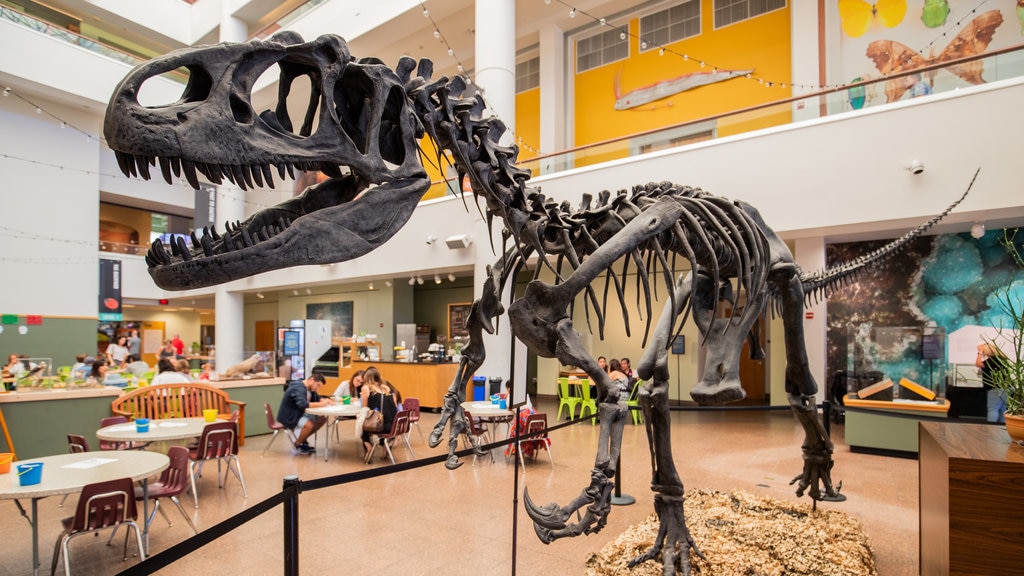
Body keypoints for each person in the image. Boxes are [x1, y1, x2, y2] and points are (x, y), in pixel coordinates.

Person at [277, 371, 332, 455]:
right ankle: (298, 444)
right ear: (312, 380)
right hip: (290, 415)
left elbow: (317, 397)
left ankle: (303, 441)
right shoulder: (298, 388)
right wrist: (322, 404)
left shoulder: (309, 388)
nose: (317, 389)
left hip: (299, 413)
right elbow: (302, 404)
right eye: (318, 385)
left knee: (322, 419)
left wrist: (323, 400)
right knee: (310, 425)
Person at [359, 366, 399, 456]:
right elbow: (394, 407)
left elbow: (365, 408)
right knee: (383, 416)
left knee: (362, 424)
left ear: (366, 377)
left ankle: (368, 446)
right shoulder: (386, 388)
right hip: (393, 427)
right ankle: (384, 445)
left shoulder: (366, 388)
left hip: (379, 427)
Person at [977, 342, 1010, 424]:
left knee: (993, 409)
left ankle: (991, 427)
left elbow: (978, 363)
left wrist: (980, 352)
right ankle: (1000, 429)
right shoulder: (1002, 359)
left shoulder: (993, 360)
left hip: (996, 388)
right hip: (1007, 388)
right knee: (1002, 409)